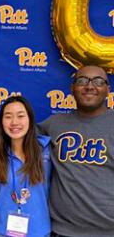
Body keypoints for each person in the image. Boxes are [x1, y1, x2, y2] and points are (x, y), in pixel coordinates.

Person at [39, 65, 114, 237]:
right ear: (72, 89)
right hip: (63, 231)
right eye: (82, 81)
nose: (89, 86)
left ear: (108, 90)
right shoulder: (55, 124)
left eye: (98, 81)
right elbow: (18, 135)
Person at [0, 96, 51, 237]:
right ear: (1, 122)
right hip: (1, 231)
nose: (14, 122)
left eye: (20, 116)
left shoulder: (47, 149)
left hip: (38, 231)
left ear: (30, 119)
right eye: (8, 116)